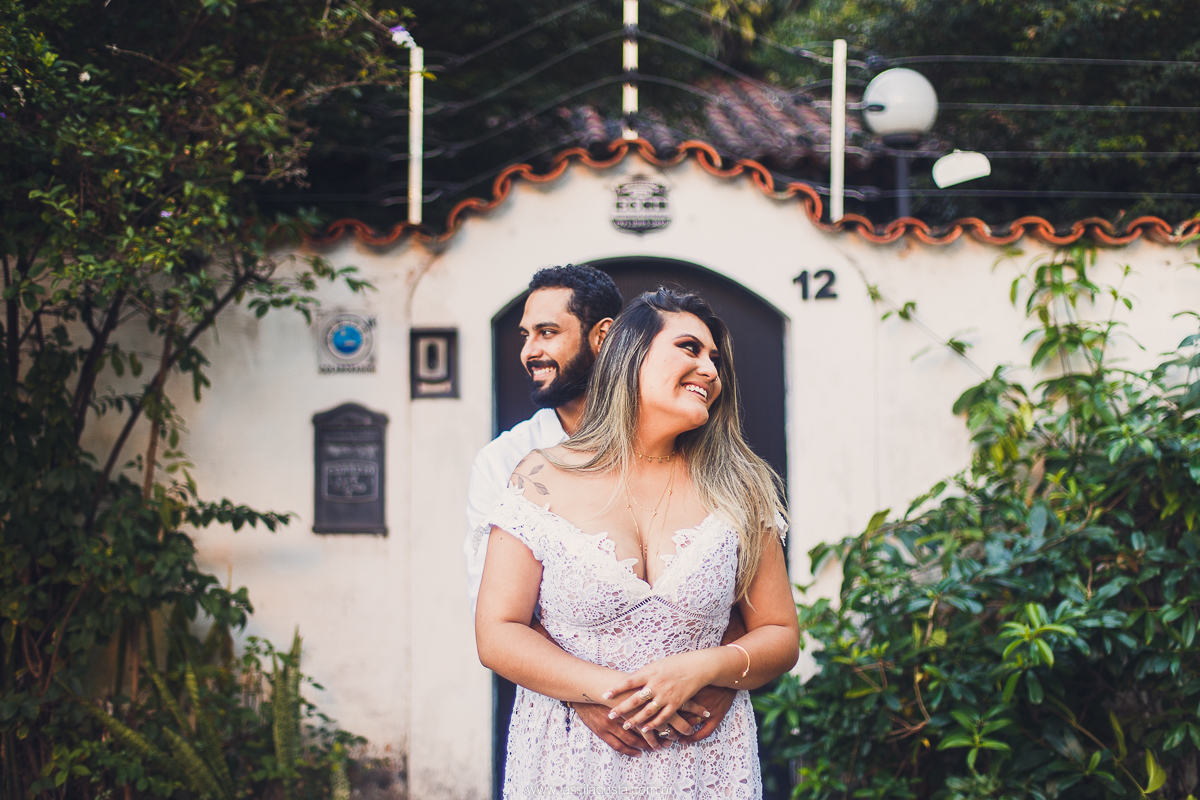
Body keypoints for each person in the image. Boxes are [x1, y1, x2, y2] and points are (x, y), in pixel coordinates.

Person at [475, 288, 801, 799]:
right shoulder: (540, 477)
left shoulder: (742, 487)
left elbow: (780, 634)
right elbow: (498, 632)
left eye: (715, 359)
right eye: (691, 349)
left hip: (704, 762)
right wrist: (609, 694)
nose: (711, 370)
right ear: (630, 356)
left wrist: (707, 668)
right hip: (569, 760)